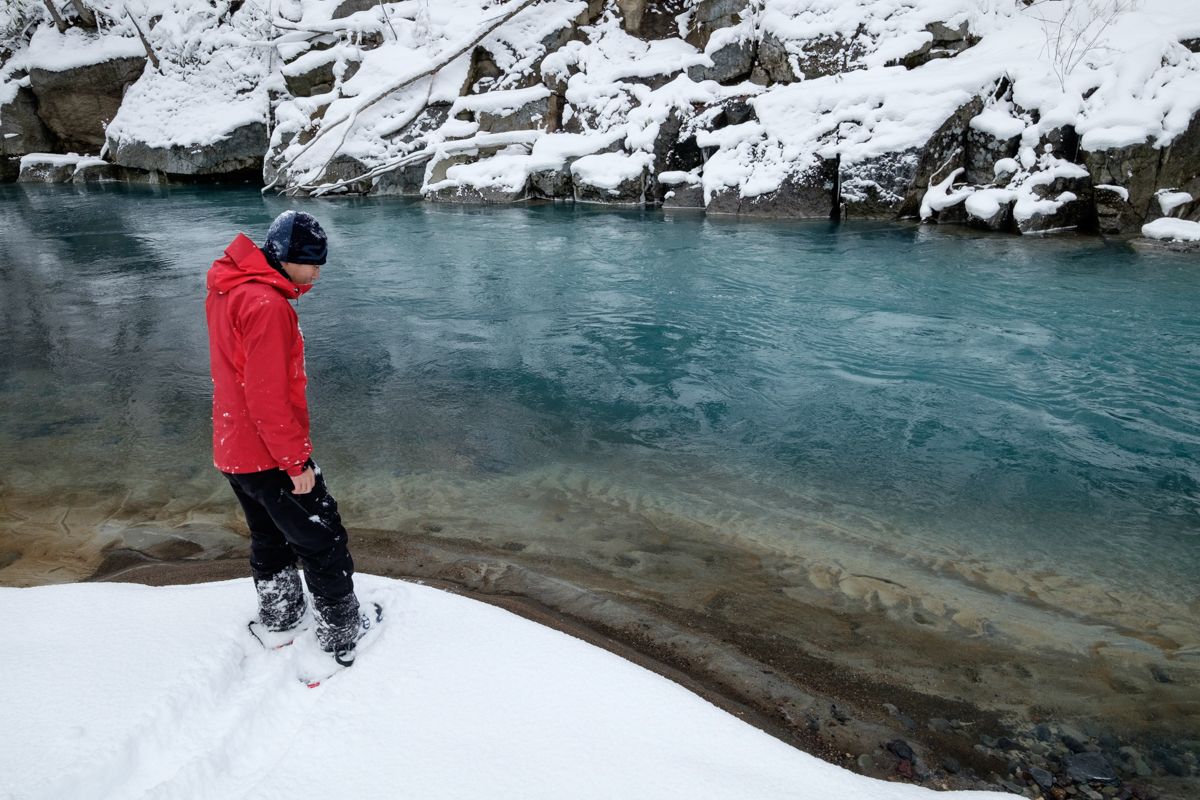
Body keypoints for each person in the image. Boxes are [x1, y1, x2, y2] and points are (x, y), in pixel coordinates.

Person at [205, 210, 365, 666]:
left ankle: (281, 614)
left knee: (269, 535)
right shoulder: (268, 306)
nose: (317, 270)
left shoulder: (227, 289)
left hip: (233, 446)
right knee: (323, 537)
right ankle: (340, 631)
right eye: (310, 260)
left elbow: (240, 379)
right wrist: (295, 464)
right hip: (267, 452)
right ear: (282, 257)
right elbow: (267, 396)